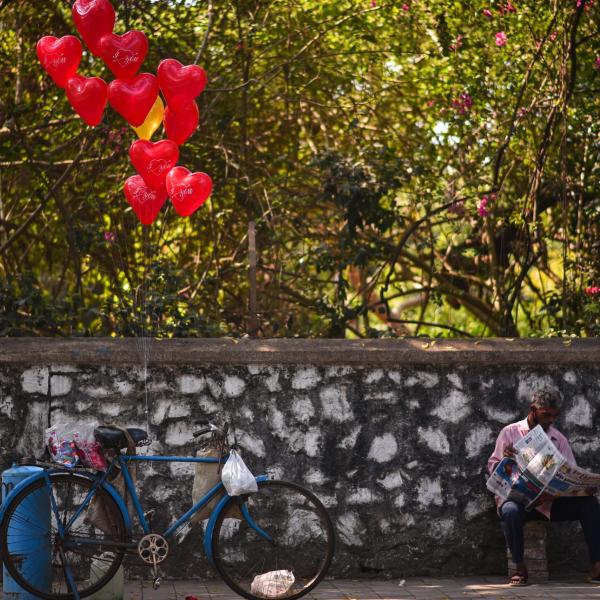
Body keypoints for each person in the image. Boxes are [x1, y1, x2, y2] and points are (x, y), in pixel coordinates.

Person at [487, 387, 600, 586]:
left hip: (549, 503)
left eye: (554, 416)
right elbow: (492, 467)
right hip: (520, 502)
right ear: (533, 409)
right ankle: (519, 567)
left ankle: (597, 564)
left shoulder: (559, 439)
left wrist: (583, 489)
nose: (550, 420)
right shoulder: (510, 432)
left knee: (590, 505)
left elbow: (569, 476)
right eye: (545, 414)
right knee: (510, 511)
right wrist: (504, 460)